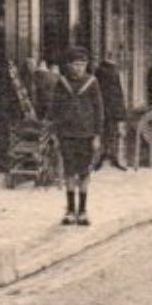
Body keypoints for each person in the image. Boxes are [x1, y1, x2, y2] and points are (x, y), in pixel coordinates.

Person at [44, 47, 105, 226]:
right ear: (69, 66)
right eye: (76, 64)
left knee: (84, 172)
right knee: (69, 172)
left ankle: (83, 211)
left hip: (86, 134)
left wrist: (97, 135)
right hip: (67, 134)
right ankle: (70, 210)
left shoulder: (92, 83)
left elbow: (99, 110)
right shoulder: (62, 83)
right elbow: (54, 109)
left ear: (86, 66)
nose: (79, 68)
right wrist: (53, 133)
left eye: (82, 64)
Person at [92, 52, 128, 171]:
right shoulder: (108, 71)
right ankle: (106, 157)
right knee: (109, 133)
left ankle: (107, 157)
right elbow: (117, 92)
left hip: (106, 107)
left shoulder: (101, 71)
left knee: (108, 133)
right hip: (109, 107)